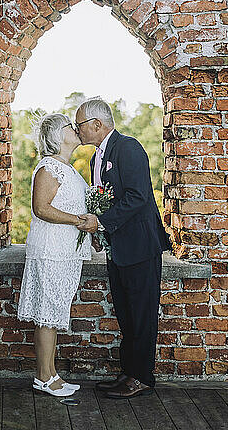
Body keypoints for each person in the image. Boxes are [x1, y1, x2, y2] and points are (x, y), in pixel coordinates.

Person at [75, 97, 172, 399]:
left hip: (140, 248)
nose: (78, 131)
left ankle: (142, 378)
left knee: (142, 315)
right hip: (118, 249)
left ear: (97, 124)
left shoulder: (128, 148)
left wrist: (100, 222)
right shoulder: (95, 158)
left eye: (80, 126)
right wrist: (99, 233)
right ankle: (128, 373)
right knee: (126, 315)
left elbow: (137, 196)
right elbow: (103, 196)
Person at [17, 113, 92, 397]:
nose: (75, 129)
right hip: (50, 250)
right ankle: (43, 378)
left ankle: (52, 374)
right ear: (56, 136)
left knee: (54, 313)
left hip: (65, 252)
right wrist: (78, 220)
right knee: (47, 315)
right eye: (69, 126)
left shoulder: (68, 168)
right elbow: (41, 208)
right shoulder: (48, 167)